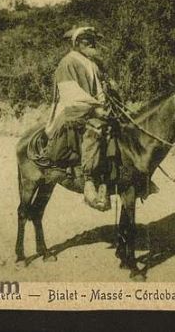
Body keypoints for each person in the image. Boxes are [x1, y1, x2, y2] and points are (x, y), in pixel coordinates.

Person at [45, 26, 112, 211]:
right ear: (76, 43)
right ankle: (89, 180)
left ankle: (110, 179)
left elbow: (100, 90)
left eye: (92, 40)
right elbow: (71, 93)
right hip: (73, 109)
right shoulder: (67, 63)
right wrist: (97, 108)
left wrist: (105, 103)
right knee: (95, 130)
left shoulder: (92, 64)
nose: (90, 43)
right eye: (85, 40)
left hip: (94, 108)